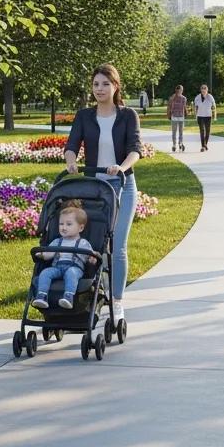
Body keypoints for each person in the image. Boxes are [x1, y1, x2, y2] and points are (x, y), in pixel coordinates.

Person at [65, 64, 142, 321]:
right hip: (94, 189)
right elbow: (71, 145)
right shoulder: (84, 116)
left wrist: (121, 167)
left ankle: (117, 301)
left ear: (115, 86)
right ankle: (94, 292)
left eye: (105, 84)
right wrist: (71, 160)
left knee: (117, 246)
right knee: (96, 245)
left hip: (122, 186)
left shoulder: (128, 115)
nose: (99, 89)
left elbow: (135, 149)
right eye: (96, 84)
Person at [31, 203, 94, 310]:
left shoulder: (83, 243)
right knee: (45, 273)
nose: (63, 227)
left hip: (75, 268)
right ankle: (42, 296)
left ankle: (68, 297)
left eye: (69, 224)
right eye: (61, 224)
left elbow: (89, 255)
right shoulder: (57, 241)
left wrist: (92, 259)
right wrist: (42, 255)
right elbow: (49, 254)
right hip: (57, 268)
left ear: (81, 228)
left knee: (71, 273)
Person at [194, 84, 217, 152]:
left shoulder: (210, 97)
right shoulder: (197, 97)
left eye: (205, 91)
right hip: (200, 116)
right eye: (202, 90)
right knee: (202, 131)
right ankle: (203, 146)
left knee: (207, 131)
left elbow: (214, 106)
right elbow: (195, 107)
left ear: (207, 90)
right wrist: (195, 116)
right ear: (201, 90)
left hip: (208, 116)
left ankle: (205, 144)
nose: (204, 92)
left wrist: (214, 116)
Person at [167, 85, 188, 152]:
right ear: (176, 90)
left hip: (180, 116)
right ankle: (175, 144)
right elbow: (169, 106)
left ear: (182, 91)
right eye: (178, 90)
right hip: (175, 116)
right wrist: (169, 114)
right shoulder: (173, 98)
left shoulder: (183, 98)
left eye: (180, 90)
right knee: (176, 132)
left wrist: (186, 113)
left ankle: (178, 143)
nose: (179, 91)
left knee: (178, 132)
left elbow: (184, 107)